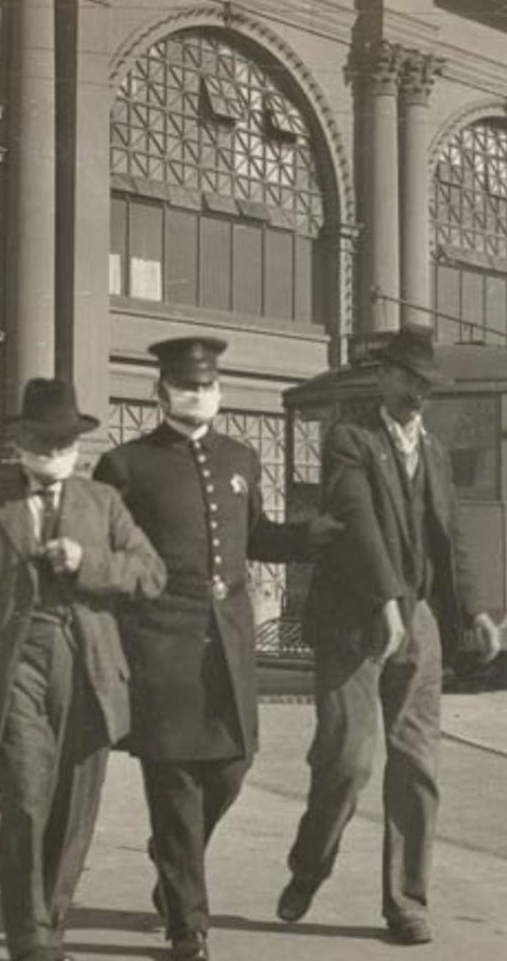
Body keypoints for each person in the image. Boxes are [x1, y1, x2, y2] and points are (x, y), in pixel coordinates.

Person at [95, 336, 339, 961]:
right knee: (174, 784)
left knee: (232, 768)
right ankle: (188, 928)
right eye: (184, 385)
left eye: (206, 385)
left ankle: (174, 858)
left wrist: (309, 539)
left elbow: (255, 536)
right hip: (162, 643)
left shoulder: (241, 457)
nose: (197, 395)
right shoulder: (125, 466)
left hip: (228, 642)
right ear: (160, 392)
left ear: (220, 391)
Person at [0, 377, 166, 961]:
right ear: (22, 441)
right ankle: (30, 942)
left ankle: (51, 922)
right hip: (16, 671)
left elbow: (150, 573)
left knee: (73, 812)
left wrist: (90, 562)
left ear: (77, 446)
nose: (53, 453)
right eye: (41, 441)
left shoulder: (102, 504)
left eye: (63, 442)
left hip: (91, 672)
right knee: (27, 802)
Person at [276, 324, 502, 945]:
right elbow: (355, 518)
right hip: (356, 618)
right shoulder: (348, 439)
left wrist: (477, 609)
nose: (415, 396)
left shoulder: (432, 452)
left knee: (416, 764)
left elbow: (450, 537)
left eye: (425, 386)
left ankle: (407, 901)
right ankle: (309, 865)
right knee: (347, 761)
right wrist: (385, 600)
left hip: (419, 618)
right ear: (383, 377)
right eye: (406, 380)